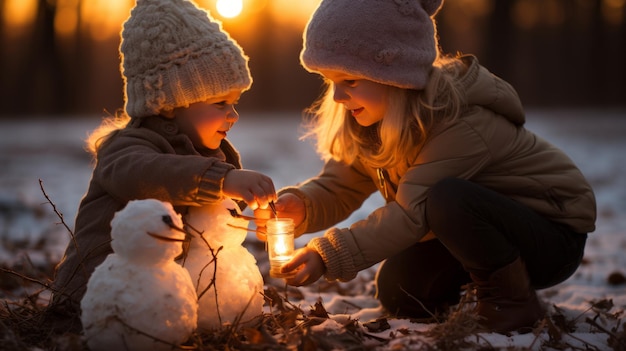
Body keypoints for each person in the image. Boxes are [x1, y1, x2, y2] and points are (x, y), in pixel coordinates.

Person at [257, 0, 596, 333]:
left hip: (549, 235)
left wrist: (327, 255)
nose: (337, 98)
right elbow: (339, 185)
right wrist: (301, 205)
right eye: (330, 81)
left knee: (447, 197)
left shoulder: (459, 121)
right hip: (476, 233)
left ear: (394, 74)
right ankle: (477, 285)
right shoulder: (374, 122)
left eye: (350, 81)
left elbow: (409, 215)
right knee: (398, 289)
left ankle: (511, 302)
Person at [48, 0, 276, 328]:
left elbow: (209, 210)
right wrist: (224, 180)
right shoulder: (128, 149)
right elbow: (149, 175)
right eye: (221, 103)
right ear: (170, 105)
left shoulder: (208, 154)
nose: (233, 114)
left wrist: (253, 211)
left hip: (157, 300)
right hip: (96, 297)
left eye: (235, 103)